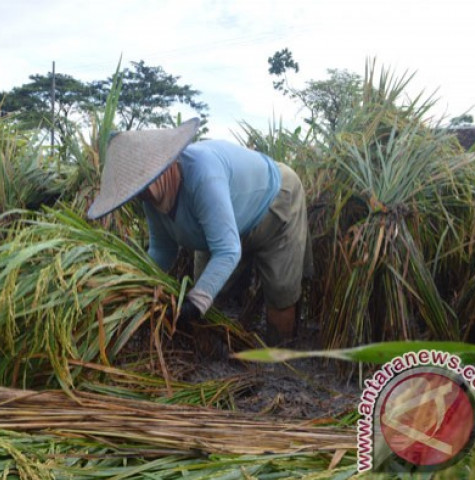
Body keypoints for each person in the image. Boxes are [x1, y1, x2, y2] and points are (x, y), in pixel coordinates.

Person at [87, 118, 312, 344]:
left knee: (281, 291)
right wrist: (135, 285)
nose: (140, 196)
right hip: (226, 224)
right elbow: (162, 249)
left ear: (163, 166)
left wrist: (195, 304)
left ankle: (280, 360)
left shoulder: (203, 175)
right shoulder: (150, 195)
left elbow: (226, 250)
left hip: (274, 204)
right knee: (211, 289)